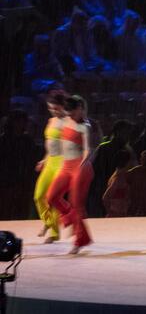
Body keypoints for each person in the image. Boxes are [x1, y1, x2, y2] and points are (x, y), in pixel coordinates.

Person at [46, 96, 94, 254]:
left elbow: (88, 147)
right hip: (66, 166)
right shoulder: (65, 119)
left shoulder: (84, 126)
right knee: (51, 197)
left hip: (80, 166)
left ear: (80, 109)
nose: (71, 116)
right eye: (69, 113)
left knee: (76, 203)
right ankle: (71, 220)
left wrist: (86, 158)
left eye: (73, 113)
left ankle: (79, 241)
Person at [34, 92, 66, 243]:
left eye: (56, 108)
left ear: (63, 106)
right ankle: (48, 222)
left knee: (53, 198)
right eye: (51, 108)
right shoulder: (51, 120)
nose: (53, 111)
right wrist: (43, 160)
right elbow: (50, 144)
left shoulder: (68, 121)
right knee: (39, 196)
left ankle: (54, 233)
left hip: (62, 162)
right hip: (50, 162)